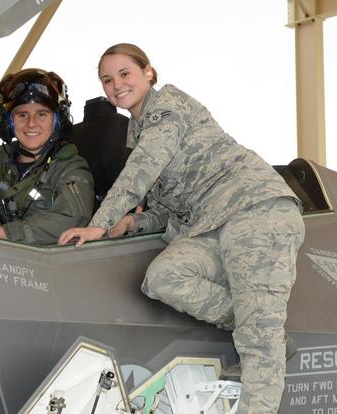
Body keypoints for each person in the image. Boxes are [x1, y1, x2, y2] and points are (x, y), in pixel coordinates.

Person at [58, 43, 305, 413]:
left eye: (125, 73)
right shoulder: (137, 132)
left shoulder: (169, 106)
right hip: (209, 226)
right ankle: (257, 323)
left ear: (149, 73)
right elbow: (166, 210)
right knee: (163, 277)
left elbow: (143, 169)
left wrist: (99, 224)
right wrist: (133, 221)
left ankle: (260, 333)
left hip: (254, 211)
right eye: (107, 80)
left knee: (257, 341)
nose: (116, 85)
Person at [0, 68, 94, 245]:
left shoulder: (70, 168)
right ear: (8, 121)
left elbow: (72, 219)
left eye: (42, 114)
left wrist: (2, 233)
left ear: (57, 120)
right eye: (22, 115)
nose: (31, 123)